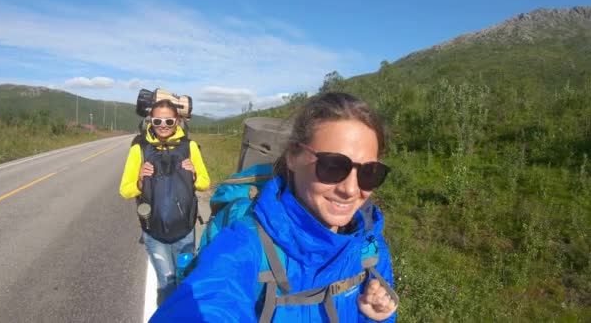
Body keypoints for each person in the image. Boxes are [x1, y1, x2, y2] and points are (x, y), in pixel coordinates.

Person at [151, 92, 397, 322]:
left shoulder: (369, 243)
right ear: (293, 156)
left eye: (369, 172)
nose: (351, 190)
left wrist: (375, 317)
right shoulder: (247, 243)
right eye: (333, 166)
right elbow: (210, 299)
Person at [119, 99, 210, 306]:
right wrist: (140, 180)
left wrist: (194, 174)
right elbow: (125, 189)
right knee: (167, 285)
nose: (163, 126)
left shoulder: (190, 147)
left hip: (185, 230)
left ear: (177, 121)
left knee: (185, 282)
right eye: (157, 121)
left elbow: (205, 183)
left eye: (168, 121)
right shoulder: (139, 148)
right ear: (150, 120)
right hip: (154, 232)